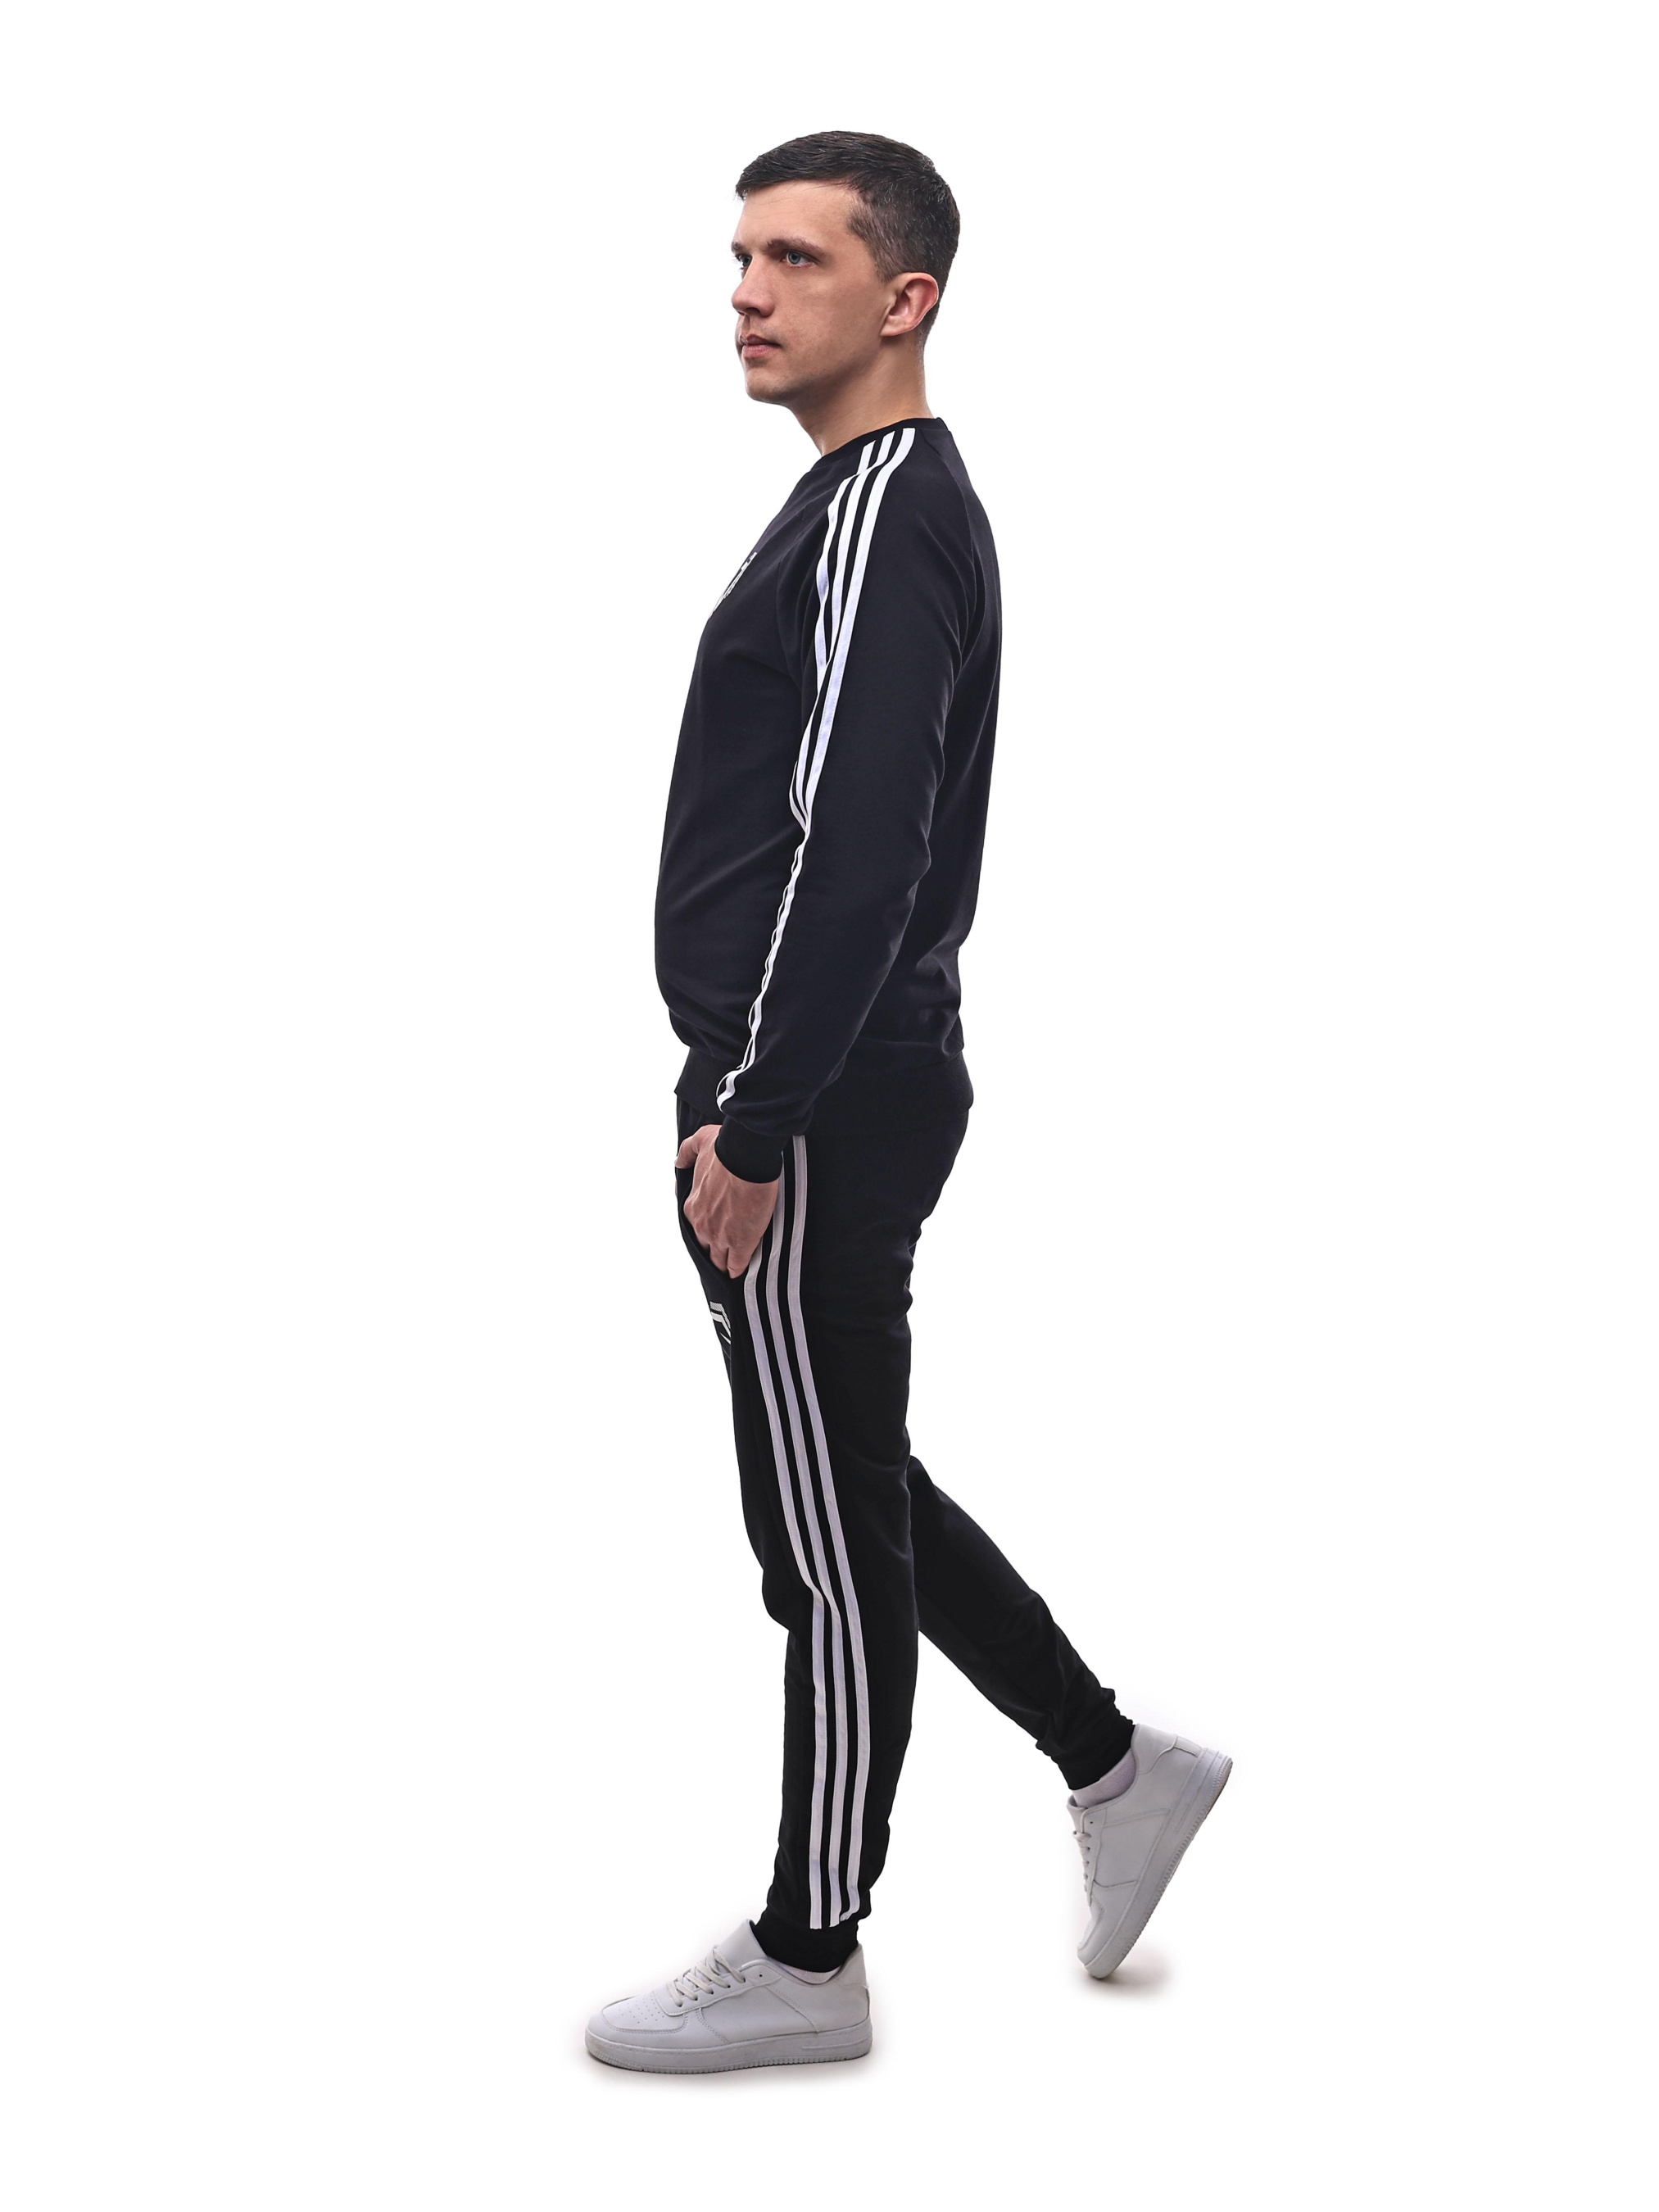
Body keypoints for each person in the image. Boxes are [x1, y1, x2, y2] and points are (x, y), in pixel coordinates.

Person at [584, 130, 1231, 2075]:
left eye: (793, 258)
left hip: (817, 1096)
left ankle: (809, 1953)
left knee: (820, 1548)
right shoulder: (860, 509)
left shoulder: (882, 512)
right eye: (737, 257)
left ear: (905, 297)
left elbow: (852, 849)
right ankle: (1115, 1765)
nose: (745, 292)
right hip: (828, 1080)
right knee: (845, 1483)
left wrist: (756, 1115)